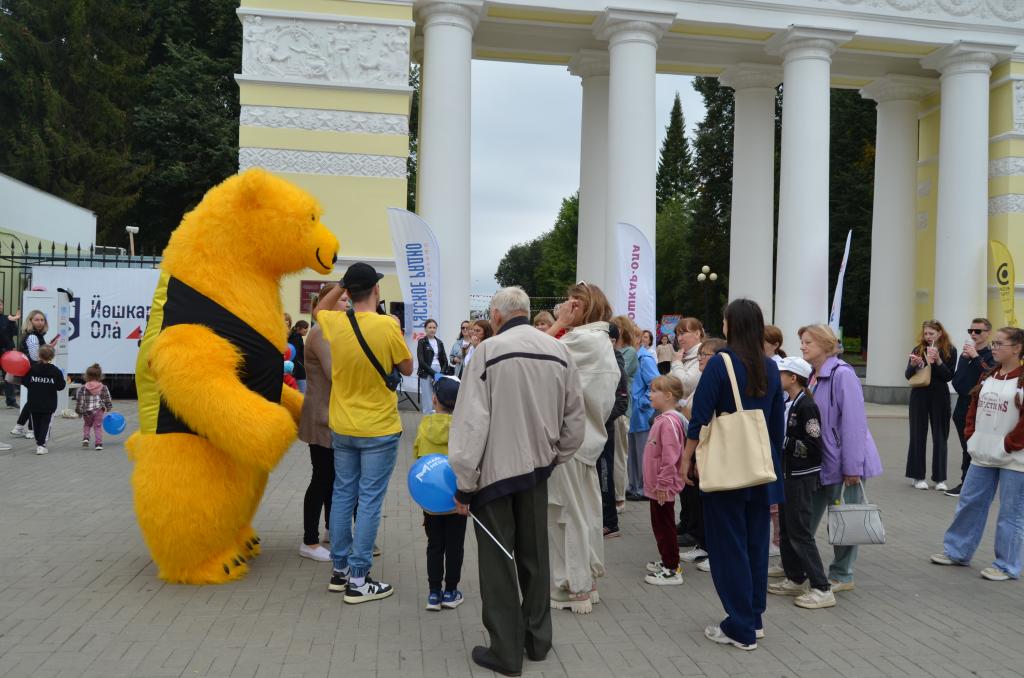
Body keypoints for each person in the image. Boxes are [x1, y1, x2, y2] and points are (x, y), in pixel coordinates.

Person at [449, 286, 585, 677]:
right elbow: (575, 418)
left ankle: (506, 652)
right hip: (538, 470)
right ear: (525, 311)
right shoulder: (559, 351)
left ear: (495, 316)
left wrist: (464, 482)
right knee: (536, 557)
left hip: (493, 476)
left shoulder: (487, 352)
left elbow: (471, 423)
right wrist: (554, 457)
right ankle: (538, 641)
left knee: (498, 563)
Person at [680, 299, 784, 651]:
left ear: (731, 325)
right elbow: (776, 424)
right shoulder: (770, 366)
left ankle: (739, 627)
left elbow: (699, 417)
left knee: (729, 547)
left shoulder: (720, 363)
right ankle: (753, 618)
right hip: (761, 467)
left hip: (728, 468)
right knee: (755, 544)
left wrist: (686, 458)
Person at [313, 263, 413, 604]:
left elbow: (319, 308)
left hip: (343, 425)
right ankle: (359, 578)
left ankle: (339, 570)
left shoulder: (336, 322)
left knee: (343, 495)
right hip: (379, 427)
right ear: (376, 290)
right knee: (369, 500)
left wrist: (341, 284)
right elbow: (407, 368)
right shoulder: (387, 325)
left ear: (349, 290)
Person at [544, 282, 619, 613]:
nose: (566, 305)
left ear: (585, 307)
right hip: (586, 440)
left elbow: (533, 354)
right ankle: (586, 581)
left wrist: (559, 323)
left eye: (573, 301)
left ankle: (574, 587)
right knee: (583, 511)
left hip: (570, 441)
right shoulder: (597, 340)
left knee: (566, 514)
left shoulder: (582, 340)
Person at [930, 326, 1024, 581]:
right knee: (970, 503)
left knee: (1011, 513)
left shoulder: (1021, 379)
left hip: (1015, 459)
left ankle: (1006, 565)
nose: (994, 347)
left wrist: (1008, 444)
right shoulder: (989, 375)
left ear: (1017, 348)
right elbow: (974, 407)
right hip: (982, 454)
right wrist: (971, 435)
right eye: (994, 343)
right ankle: (957, 551)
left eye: (1000, 343)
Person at [799, 323, 883, 593]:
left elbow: (854, 423)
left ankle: (842, 574)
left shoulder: (842, 374)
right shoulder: (813, 375)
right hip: (822, 461)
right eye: (802, 342)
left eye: (808, 342)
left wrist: (852, 467)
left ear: (825, 345)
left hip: (845, 463)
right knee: (805, 518)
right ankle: (798, 568)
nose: (802, 346)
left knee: (845, 519)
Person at [768, 357, 834, 609]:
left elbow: (813, 446)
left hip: (801, 477)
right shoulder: (789, 402)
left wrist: (783, 442)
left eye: (781, 373)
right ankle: (795, 577)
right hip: (788, 475)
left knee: (800, 533)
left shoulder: (807, 406)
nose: (777, 377)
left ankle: (822, 587)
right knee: (786, 529)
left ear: (793, 378)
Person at [413, 376, 468, 610]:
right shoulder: (463, 429)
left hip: (431, 499)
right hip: (457, 499)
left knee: (434, 545)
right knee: (455, 546)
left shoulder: (424, 425)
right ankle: (451, 591)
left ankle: (434, 593)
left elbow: (418, 459)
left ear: (434, 399)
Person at [297, 284, 341, 563]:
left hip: (329, 413)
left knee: (332, 478)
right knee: (322, 478)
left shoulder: (331, 330)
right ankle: (309, 540)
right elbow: (335, 373)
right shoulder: (321, 331)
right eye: (342, 299)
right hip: (321, 415)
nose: (347, 304)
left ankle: (329, 531)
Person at [686, 338, 726, 573]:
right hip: (701, 448)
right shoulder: (702, 380)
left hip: (708, 449)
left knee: (714, 504)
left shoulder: (715, 383)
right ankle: (704, 545)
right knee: (700, 503)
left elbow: (701, 419)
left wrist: (690, 456)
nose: (700, 358)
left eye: (705, 355)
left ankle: (716, 552)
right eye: (699, 354)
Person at [643, 375, 687, 586]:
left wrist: (663, 484)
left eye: (654, 391)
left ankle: (672, 568)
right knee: (659, 524)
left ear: (668, 396)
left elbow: (670, 457)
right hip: (658, 486)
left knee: (664, 526)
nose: (650, 395)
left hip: (662, 487)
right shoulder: (664, 419)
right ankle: (667, 560)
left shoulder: (668, 422)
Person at [905, 319, 957, 490]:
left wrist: (939, 361)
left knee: (940, 436)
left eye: (931, 333)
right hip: (919, 395)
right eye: (925, 333)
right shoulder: (918, 349)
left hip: (940, 395)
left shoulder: (950, 350)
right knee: (917, 435)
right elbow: (908, 375)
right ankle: (917, 476)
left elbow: (948, 376)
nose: (928, 336)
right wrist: (913, 365)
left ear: (940, 333)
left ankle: (940, 479)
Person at [947, 318, 994, 497]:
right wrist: (967, 359)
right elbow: (957, 381)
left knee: (972, 446)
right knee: (966, 445)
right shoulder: (965, 354)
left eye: (978, 331)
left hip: (978, 406)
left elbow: (989, 374)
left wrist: (975, 357)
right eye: (971, 331)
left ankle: (967, 483)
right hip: (962, 405)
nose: (973, 334)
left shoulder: (990, 355)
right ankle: (968, 482)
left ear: (988, 333)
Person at [598, 322, 628, 539]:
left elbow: (622, 402)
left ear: (612, 340)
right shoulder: (603, 359)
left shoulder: (615, 361)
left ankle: (610, 523)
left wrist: (600, 418)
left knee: (605, 473)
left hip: (605, 427)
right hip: (598, 426)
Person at [627, 326, 659, 501]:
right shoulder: (633, 356)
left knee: (642, 453)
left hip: (641, 413)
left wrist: (642, 403)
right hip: (632, 412)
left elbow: (655, 383)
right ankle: (633, 486)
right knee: (632, 453)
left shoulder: (645, 358)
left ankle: (643, 489)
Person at [11, 310, 55, 439]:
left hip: (32, 372)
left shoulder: (35, 335)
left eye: (42, 320)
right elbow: (36, 357)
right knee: (36, 401)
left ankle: (19, 426)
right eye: (37, 320)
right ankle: (31, 429)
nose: (40, 322)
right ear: (30, 321)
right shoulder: (32, 336)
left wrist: (47, 347)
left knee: (32, 400)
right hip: (34, 372)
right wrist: (49, 350)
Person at [611, 316, 639, 512]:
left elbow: (618, 373)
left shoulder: (629, 352)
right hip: (609, 409)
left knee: (619, 456)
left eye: (616, 327)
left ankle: (619, 498)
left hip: (621, 410)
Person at [25, 344, 65, 455]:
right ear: (52, 356)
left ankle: (39, 442)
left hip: (34, 402)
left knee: (36, 424)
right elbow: (61, 386)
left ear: (39, 355)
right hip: (49, 403)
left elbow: (25, 382)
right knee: (46, 424)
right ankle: (41, 445)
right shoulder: (56, 371)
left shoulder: (32, 369)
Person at [75, 363, 112, 450]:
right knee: (97, 426)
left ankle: (86, 438)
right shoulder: (103, 387)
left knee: (87, 425)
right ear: (100, 376)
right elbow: (107, 398)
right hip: (99, 410)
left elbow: (80, 400)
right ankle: (98, 444)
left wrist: (79, 410)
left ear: (87, 376)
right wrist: (108, 406)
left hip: (86, 411)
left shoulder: (83, 388)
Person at [416, 319, 449, 415]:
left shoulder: (440, 342)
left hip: (438, 372)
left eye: (434, 327)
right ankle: (427, 422)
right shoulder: (422, 342)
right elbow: (421, 361)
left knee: (438, 399)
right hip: (426, 372)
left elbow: (445, 361)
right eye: (430, 327)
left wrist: (440, 374)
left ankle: (437, 422)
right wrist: (434, 374)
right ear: (425, 329)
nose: (432, 329)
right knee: (427, 400)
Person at [670, 318, 705, 399]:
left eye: (682, 333)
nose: (679, 339)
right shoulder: (683, 355)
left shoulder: (704, 356)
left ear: (697, 333)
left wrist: (677, 363)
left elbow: (686, 386)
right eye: (677, 335)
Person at [0, 300, 21, 408]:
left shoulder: (7, 318)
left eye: (0, 304)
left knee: (8, 376)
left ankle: (11, 401)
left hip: (6, 351)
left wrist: (12, 321)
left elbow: (14, 333)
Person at [287, 320, 309, 393]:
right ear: (299, 328)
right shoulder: (296, 339)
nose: (307, 330)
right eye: (305, 328)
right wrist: (301, 368)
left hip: (296, 370)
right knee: (302, 393)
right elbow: (295, 356)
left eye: (307, 328)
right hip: (299, 372)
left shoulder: (296, 337)